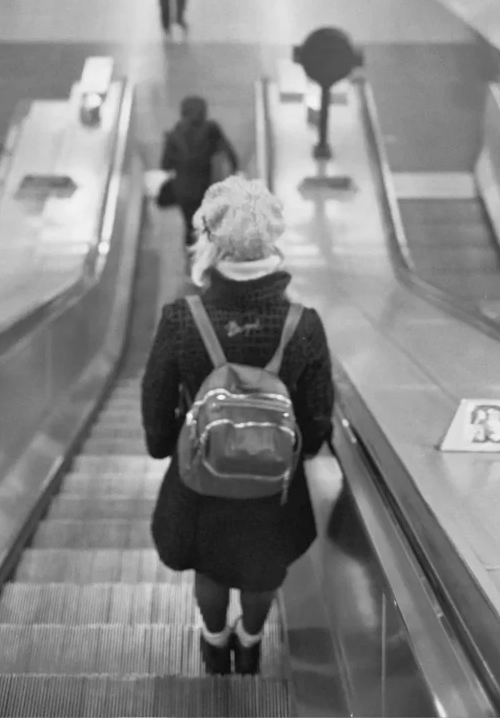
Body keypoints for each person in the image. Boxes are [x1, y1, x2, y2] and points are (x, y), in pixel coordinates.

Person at [141, 176, 335, 676]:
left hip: (201, 482)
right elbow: (317, 419)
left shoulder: (182, 319)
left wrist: (163, 444)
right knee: (260, 569)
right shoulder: (302, 323)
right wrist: (297, 449)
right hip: (272, 489)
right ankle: (250, 644)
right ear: (273, 243)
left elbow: (156, 402)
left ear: (208, 240)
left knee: (210, 567)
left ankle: (213, 642)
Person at [160, 96, 239, 252]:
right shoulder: (211, 130)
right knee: (209, 224)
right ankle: (208, 257)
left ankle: (192, 259)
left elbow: (165, 165)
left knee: (190, 225)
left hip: (183, 191)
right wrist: (234, 170)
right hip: (206, 187)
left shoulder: (174, 134)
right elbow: (229, 153)